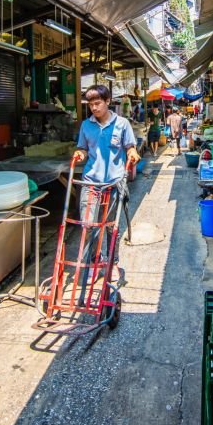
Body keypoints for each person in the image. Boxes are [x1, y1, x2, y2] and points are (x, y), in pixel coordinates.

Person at [73, 85, 140, 302]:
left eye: (97, 103)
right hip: (91, 182)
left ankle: (112, 262)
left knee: (112, 227)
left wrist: (132, 154)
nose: (94, 108)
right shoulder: (86, 125)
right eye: (90, 105)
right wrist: (79, 155)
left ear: (107, 101)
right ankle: (94, 262)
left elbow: (130, 147)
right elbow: (82, 148)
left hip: (114, 183)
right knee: (89, 225)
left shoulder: (122, 124)